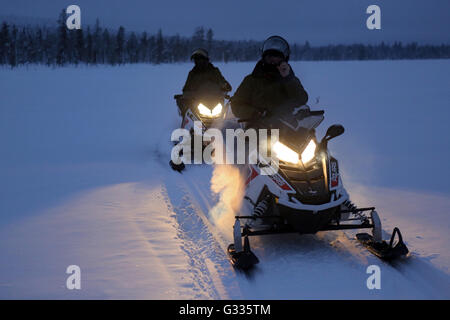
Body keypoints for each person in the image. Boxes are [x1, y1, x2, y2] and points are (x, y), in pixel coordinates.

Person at [231, 36, 308, 121]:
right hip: (256, 125)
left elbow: (302, 99)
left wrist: (288, 79)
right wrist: (254, 113)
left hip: (286, 126)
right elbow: (236, 104)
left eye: (277, 59)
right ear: (264, 59)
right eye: (270, 58)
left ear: (284, 60)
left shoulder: (290, 79)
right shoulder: (251, 80)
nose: (273, 62)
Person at [176, 48, 232, 115]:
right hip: (198, 103)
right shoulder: (192, 74)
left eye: (201, 59)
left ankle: (225, 125)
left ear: (206, 60)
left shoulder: (214, 71)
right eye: (196, 60)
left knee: (226, 117)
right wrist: (187, 95)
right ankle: (190, 124)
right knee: (194, 119)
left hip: (215, 101)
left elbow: (222, 81)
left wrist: (225, 87)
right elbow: (186, 89)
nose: (199, 62)